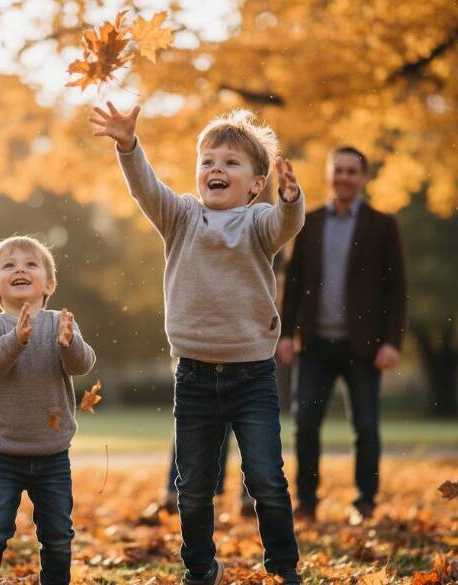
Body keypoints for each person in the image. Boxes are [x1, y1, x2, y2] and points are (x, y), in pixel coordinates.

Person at [92, 102, 304, 585]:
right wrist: (128, 145)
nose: (216, 169)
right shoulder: (181, 217)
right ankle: (200, 568)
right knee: (192, 488)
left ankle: (283, 567)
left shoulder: (260, 222)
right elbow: (145, 188)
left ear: (255, 183)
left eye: (231, 163)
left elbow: (286, 225)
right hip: (193, 374)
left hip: (252, 374)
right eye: (208, 161)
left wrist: (291, 199)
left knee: (267, 478)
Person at [277, 146, 407, 525]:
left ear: (364, 178)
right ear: (329, 174)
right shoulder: (309, 222)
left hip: (363, 347)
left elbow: (397, 289)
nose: (345, 178)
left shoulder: (383, 226)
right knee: (305, 426)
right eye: (339, 171)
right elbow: (294, 281)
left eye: (352, 172)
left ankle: (365, 502)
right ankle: (307, 502)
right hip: (314, 345)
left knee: (365, 426)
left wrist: (392, 342)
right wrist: (285, 334)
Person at [0, 235, 96, 585]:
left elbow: (83, 364)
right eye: (8, 265)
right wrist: (17, 339)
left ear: (49, 283)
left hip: (53, 454)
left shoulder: (60, 322)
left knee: (57, 535)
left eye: (30, 264)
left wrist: (70, 344)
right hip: (2, 452)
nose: (19, 269)